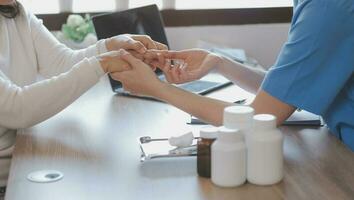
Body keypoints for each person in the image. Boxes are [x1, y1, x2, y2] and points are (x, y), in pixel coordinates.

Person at [112, 0, 354, 151]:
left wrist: (157, 88)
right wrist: (219, 63)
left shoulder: (328, 9)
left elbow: (258, 117)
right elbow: (286, 89)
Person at [0, 0, 167, 195]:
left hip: (21, 157)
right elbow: (17, 108)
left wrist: (110, 46)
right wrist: (103, 64)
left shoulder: (16, 12)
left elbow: (61, 62)